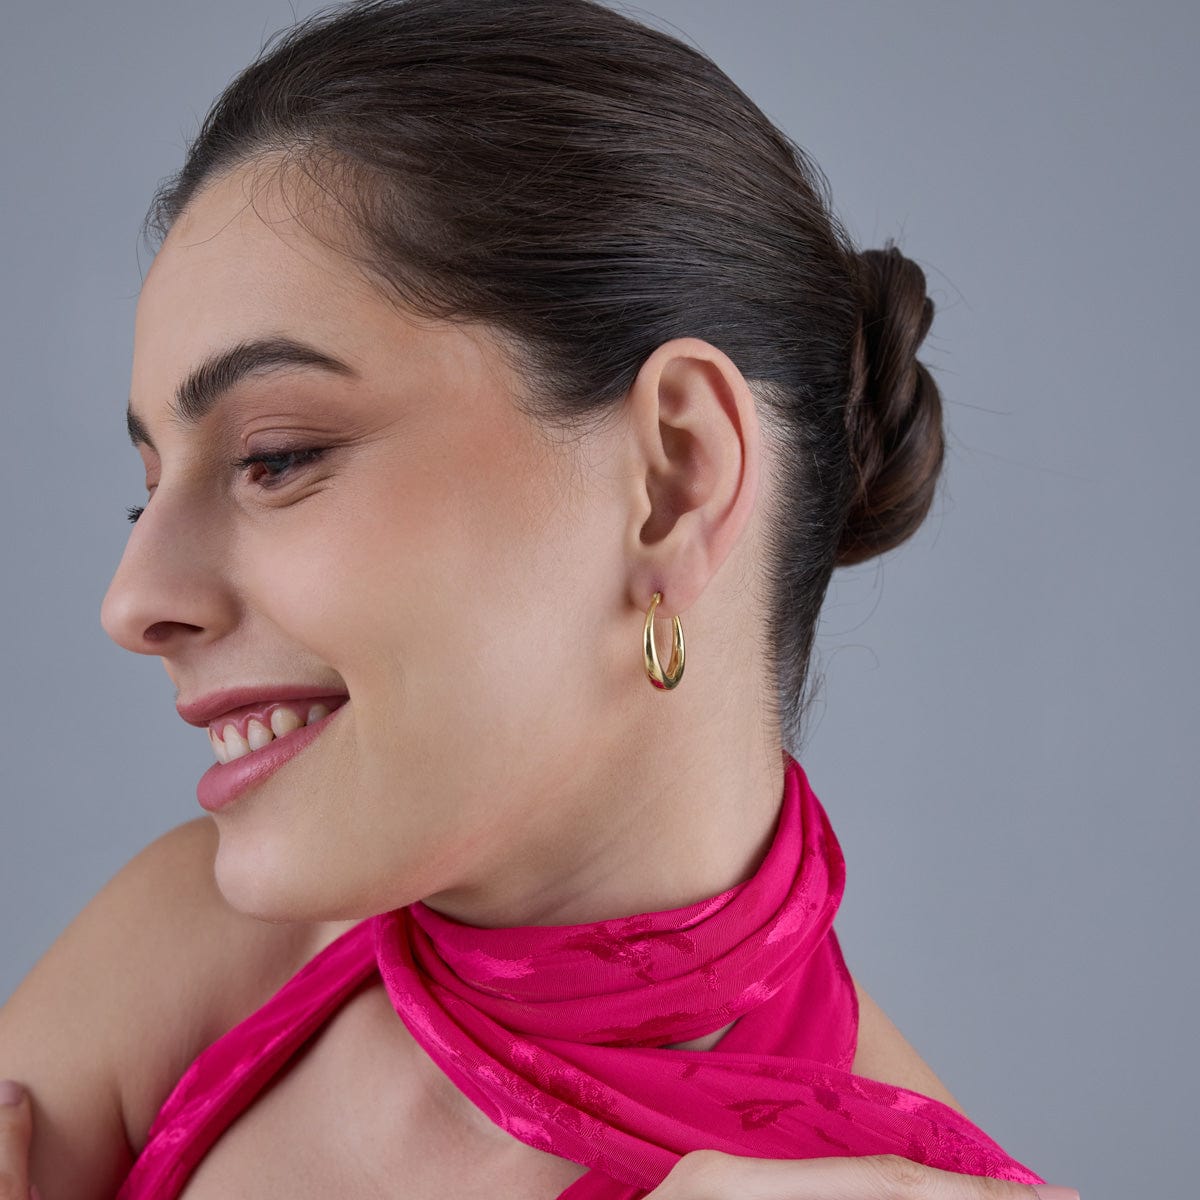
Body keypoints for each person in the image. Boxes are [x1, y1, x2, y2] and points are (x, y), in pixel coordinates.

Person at [0, 0, 1080, 1197]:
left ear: (673, 478)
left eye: (278, 456)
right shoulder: (201, 947)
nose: (134, 600)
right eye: (147, 491)